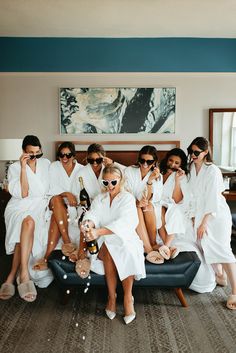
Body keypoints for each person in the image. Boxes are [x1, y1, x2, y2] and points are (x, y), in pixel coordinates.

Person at [79, 165, 146, 324]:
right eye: (105, 182)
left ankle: (128, 297)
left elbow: (126, 223)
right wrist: (88, 223)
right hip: (104, 241)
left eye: (113, 182)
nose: (109, 186)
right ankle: (112, 296)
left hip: (125, 238)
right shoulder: (99, 198)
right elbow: (92, 214)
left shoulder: (127, 198)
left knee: (124, 250)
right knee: (109, 248)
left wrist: (98, 232)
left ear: (121, 180)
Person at [187, 137, 236, 309]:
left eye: (196, 152)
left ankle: (235, 292)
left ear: (205, 152)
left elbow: (213, 198)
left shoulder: (213, 170)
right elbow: (190, 195)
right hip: (200, 215)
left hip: (216, 216)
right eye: (191, 151)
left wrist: (204, 223)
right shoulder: (191, 168)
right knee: (206, 245)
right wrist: (194, 217)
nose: (193, 155)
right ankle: (220, 276)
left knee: (224, 250)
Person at [0, 135, 51, 302]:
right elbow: (23, 193)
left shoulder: (46, 164)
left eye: (38, 153)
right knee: (27, 222)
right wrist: (23, 167)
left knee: (26, 227)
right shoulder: (15, 167)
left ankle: (11, 276)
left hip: (39, 205)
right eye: (31, 154)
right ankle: (24, 274)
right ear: (23, 152)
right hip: (19, 205)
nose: (35, 157)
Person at [33, 141, 83, 270]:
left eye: (68, 155)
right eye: (61, 155)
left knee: (56, 217)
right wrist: (65, 193)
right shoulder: (54, 166)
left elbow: (83, 194)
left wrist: (72, 198)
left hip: (71, 207)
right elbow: (50, 189)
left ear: (74, 155)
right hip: (55, 201)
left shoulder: (82, 169)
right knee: (56, 200)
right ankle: (67, 242)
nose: (65, 158)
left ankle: (46, 257)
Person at [70, 143, 124, 262]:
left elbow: (125, 175)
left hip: (106, 204)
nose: (94, 163)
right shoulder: (81, 173)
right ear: (86, 158)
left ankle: (104, 252)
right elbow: (76, 196)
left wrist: (113, 163)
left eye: (98, 160)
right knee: (86, 219)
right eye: (91, 160)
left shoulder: (109, 170)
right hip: (88, 206)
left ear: (104, 158)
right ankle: (82, 252)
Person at [124, 145, 164, 263]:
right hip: (130, 204)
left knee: (147, 206)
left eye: (149, 161)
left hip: (148, 207)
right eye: (142, 160)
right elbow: (125, 192)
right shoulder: (129, 171)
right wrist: (136, 202)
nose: (145, 164)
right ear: (138, 159)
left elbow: (151, 198)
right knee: (136, 208)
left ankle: (152, 242)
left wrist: (150, 180)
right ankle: (149, 249)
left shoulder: (157, 176)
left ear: (155, 162)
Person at [158, 148, 189, 259]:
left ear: (181, 165)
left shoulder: (181, 176)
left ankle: (166, 245)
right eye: (171, 160)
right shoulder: (158, 171)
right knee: (159, 209)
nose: (173, 164)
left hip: (172, 204)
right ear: (167, 159)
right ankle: (168, 247)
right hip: (159, 203)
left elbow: (176, 199)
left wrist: (177, 180)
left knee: (175, 211)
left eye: (177, 163)